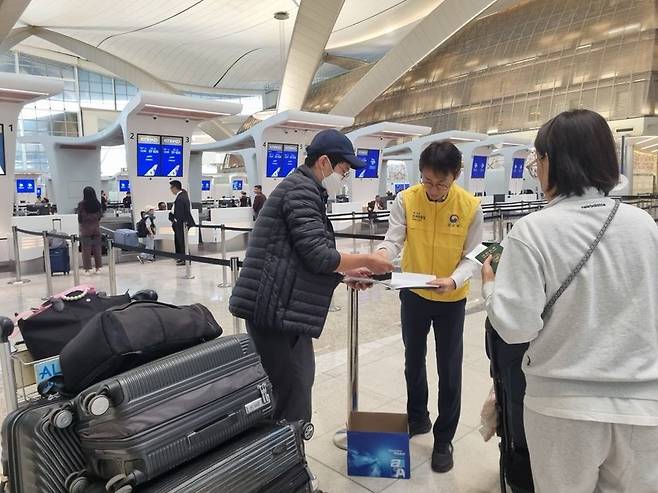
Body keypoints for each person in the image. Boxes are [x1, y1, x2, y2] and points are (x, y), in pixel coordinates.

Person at [482, 109, 658, 493]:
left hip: (561, 407)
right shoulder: (645, 225)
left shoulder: (533, 231)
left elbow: (515, 328)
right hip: (644, 405)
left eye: (538, 160)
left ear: (553, 161)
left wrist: (490, 286)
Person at [230, 129, 394, 423]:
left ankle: (288, 448)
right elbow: (318, 255)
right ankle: (288, 450)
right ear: (324, 162)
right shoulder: (301, 190)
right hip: (276, 311)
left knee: (294, 386)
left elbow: (297, 255)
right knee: (293, 395)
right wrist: (369, 259)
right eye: (344, 169)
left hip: (279, 308)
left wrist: (345, 271)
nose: (345, 177)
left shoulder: (303, 188)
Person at [376, 141, 483, 473]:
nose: (433, 190)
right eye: (427, 182)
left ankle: (443, 438)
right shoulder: (407, 199)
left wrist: (454, 279)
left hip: (451, 298)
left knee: (449, 370)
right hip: (414, 294)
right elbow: (394, 239)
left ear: (456, 175)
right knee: (413, 360)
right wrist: (380, 257)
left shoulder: (470, 206)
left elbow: (475, 255)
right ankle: (417, 417)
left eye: (441, 184)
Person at [77, 186, 103, 275]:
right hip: (96, 228)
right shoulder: (98, 204)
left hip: (86, 229)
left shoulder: (81, 204)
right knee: (97, 249)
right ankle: (98, 268)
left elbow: (80, 218)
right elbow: (100, 216)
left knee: (86, 250)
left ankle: (87, 269)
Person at [169, 180, 195, 266]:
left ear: (175, 188)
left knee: (182, 241)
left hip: (181, 224)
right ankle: (182, 257)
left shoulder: (181, 197)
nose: (171, 190)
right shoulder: (181, 195)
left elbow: (181, 213)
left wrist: (176, 221)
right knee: (180, 240)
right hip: (180, 223)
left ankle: (185, 259)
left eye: (171, 188)